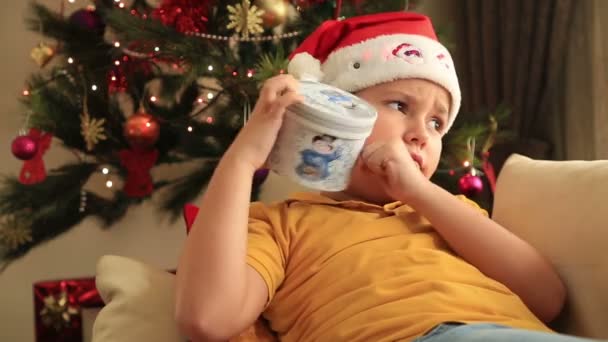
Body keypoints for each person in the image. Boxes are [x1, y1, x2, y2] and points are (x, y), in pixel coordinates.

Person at [174, 12, 605, 342]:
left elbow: (548, 298)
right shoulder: (282, 224)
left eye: (437, 124)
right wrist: (244, 158)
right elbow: (208, 318)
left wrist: (420, 193)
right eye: (400, 106)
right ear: (337, 116)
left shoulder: (452, 214)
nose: (421, 132)